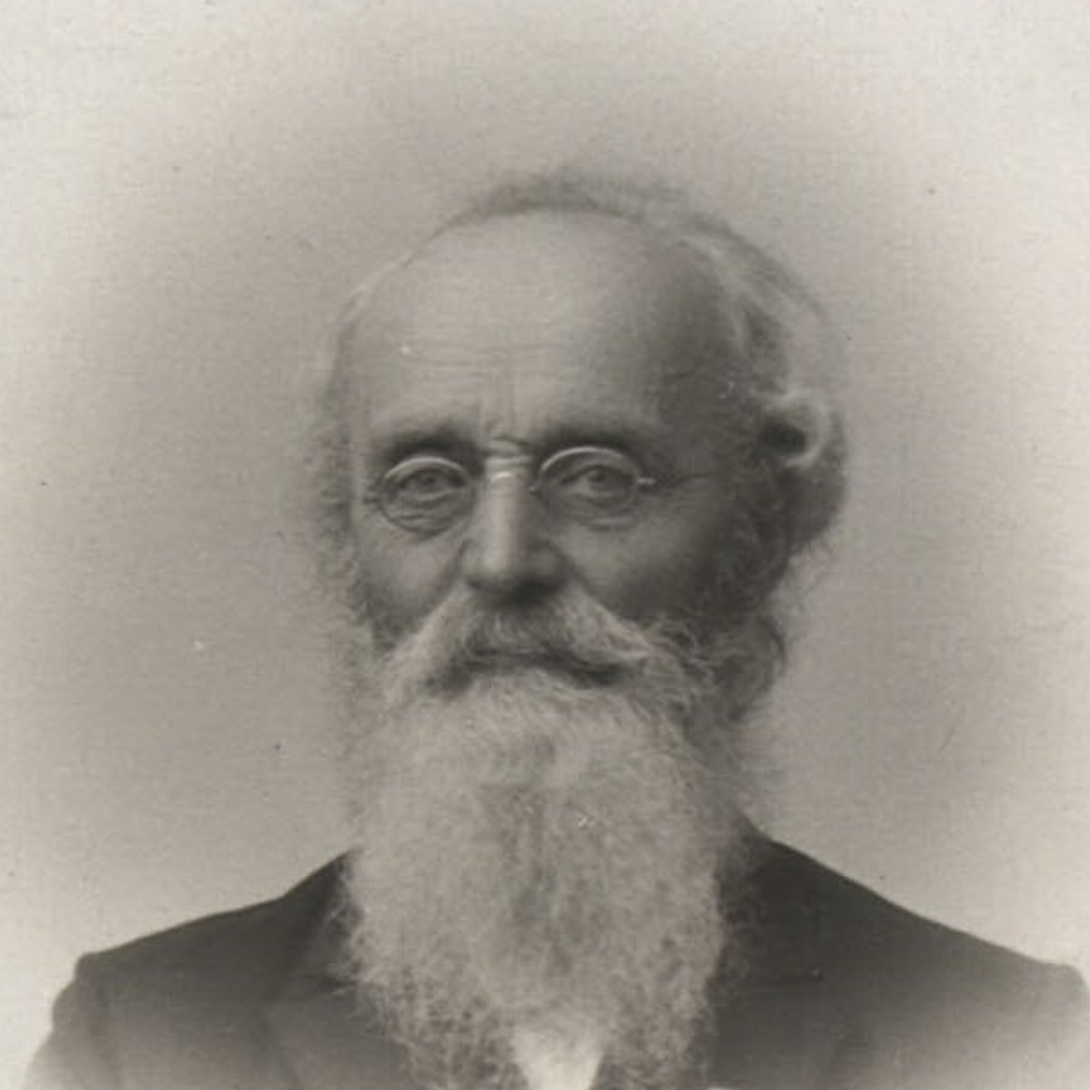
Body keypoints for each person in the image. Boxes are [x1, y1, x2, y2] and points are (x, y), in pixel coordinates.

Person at [27, 172, 1087, 1090]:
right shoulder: (137, 1039)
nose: (500, 560)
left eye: (597, 479)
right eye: (426, 482)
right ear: (348, 545)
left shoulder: (1004, 1037)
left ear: (757, 534)